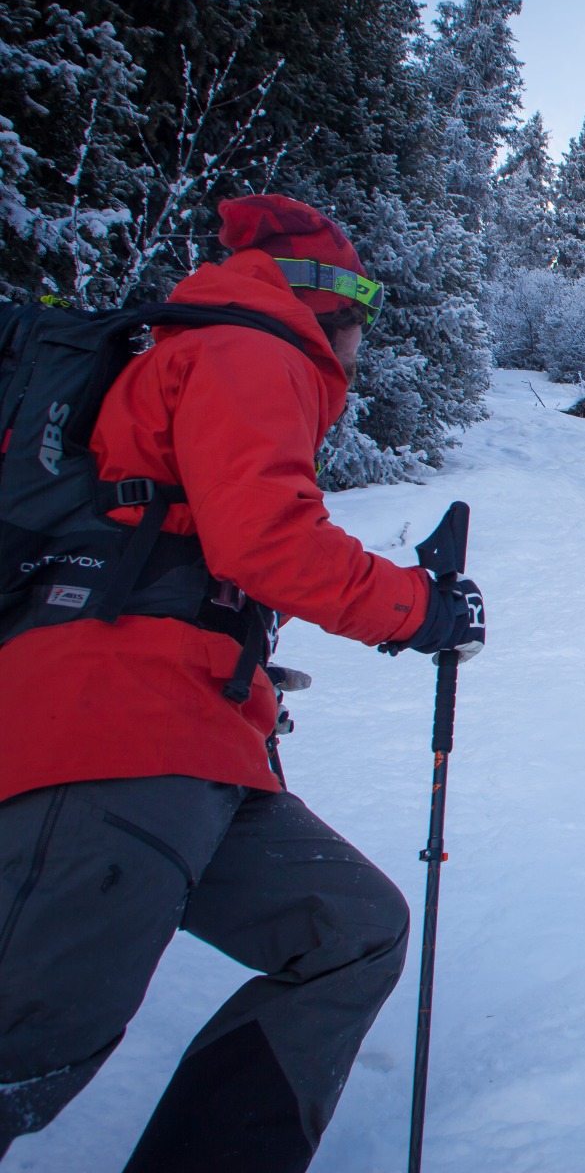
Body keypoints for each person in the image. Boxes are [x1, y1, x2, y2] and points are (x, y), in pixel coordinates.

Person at [0, 195, 485, 1172]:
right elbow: (266, 540)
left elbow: (200, 544)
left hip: (192, 741)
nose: (363, 344)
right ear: (324, 301)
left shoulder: (222, 348)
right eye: (364, 312)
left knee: (352, 931)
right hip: (113, 731)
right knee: (27, 1049)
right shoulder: (251, 341)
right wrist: (420, 609)